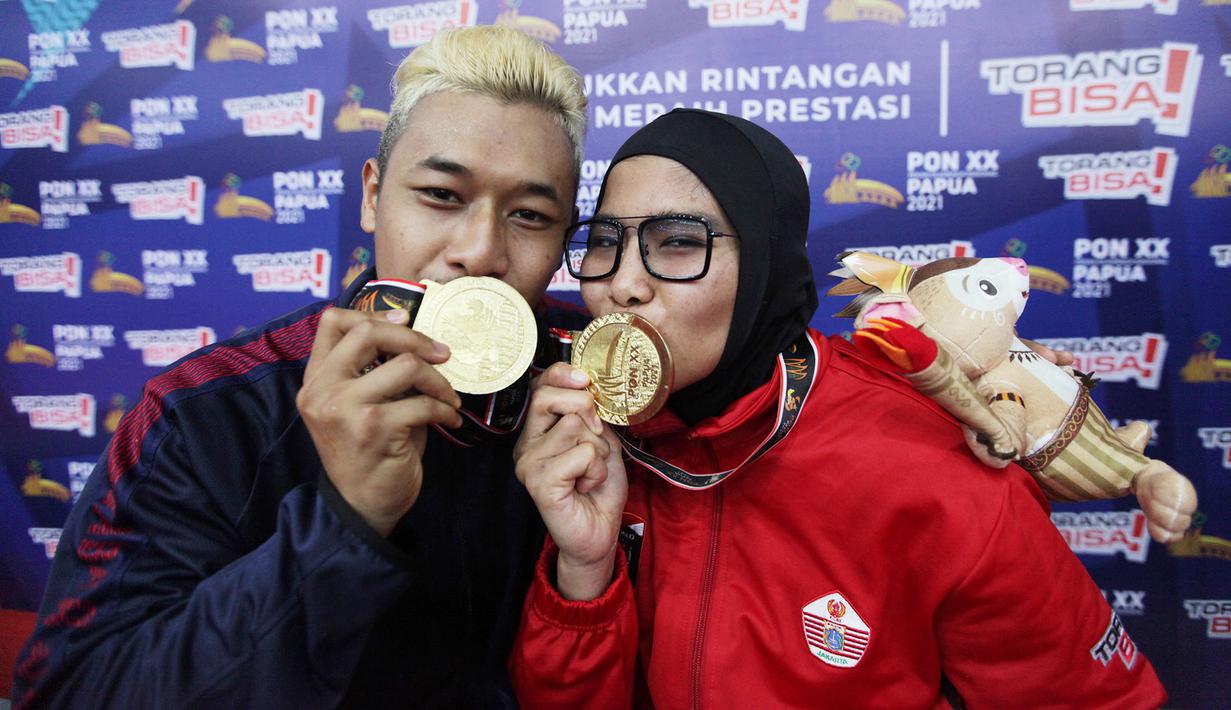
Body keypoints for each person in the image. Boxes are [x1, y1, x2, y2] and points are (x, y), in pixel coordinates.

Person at [509, 109, 1168, 708]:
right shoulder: (580, 439)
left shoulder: (932, 464)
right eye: (603, 242)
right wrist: (584, 575)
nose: (622, 284)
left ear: (765, 263)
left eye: (677, 242)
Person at [12, 25, 588, 709]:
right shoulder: (208, 410)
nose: (480, 250)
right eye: (440, 195)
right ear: (374, 196)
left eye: (528, 215)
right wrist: (342, 522)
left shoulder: (593, 383)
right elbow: (73, 691)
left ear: (562, 239)